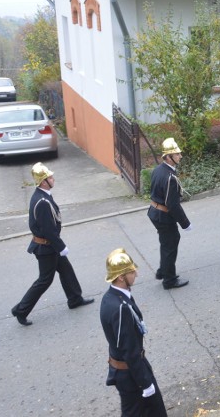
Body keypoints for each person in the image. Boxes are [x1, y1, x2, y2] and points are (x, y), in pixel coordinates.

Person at [11, 163, 94, 326]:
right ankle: (21, 310)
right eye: (49, 177)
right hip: (47, 247)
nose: (52, 178)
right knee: (44, 280)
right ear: (43, 181)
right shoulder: (42, 201)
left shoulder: (43, 195)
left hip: (49, 245)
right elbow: (48, 230)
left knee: (66, 270)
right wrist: (61, 246)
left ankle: (75, 299)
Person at [100, 248, 167, 417]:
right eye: (131, 271)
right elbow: (129, 350)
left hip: (129, 369)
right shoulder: (121, 308)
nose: (136, 273)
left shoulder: (112, 297)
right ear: (121, 277)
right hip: (131, 373)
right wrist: (145, 382)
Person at [148, 138, 191, 289]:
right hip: (163, 215)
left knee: (166, 243)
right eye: (177, 154)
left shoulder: (158, 170)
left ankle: (163, 271)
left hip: (154, 212)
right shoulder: (170, 177)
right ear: (168, 157)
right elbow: (173, 205)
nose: (180, 156)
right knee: (171, 244)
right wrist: (185, 223)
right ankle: (169, 280)